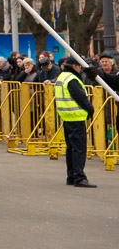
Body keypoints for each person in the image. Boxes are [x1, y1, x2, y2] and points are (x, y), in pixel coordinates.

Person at [55, 56, 96, 188]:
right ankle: (79, 177)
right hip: (76, 117)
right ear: (74, 66)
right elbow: (81, 98)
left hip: (66, 117)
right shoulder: (72, 79)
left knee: (71, 149)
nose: (80, 69)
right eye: (79, 66)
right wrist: (90, 109)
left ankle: (71, 176)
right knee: (79, 149)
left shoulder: (61, 77)